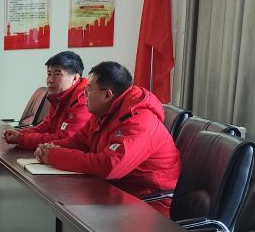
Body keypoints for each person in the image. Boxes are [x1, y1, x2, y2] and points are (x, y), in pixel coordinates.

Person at [36, 61, 181, 213]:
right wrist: (51, 147)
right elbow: (80, 141)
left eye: (88, 89)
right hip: (113, 192)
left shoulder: (139, 122)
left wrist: (54, 155)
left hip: (147, 205)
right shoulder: (104, 112)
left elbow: (109, 166)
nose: (84, 94)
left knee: (65, 208)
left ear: (107, 95)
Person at [2, 51, 91, 150]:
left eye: (57, 74)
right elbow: (46, 127)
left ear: (75, 77)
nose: (50, 80)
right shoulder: (58, 96)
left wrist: (21, 139)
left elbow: (66, 139)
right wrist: (19, 133)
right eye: (49, 74)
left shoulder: (84, 100)